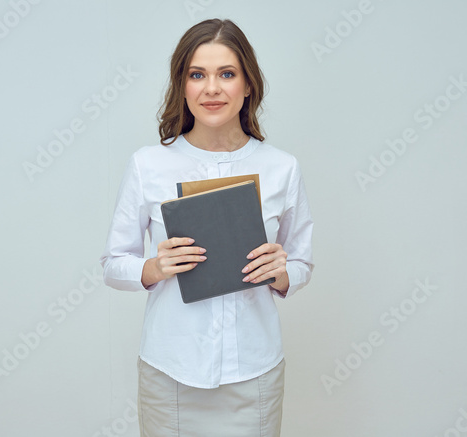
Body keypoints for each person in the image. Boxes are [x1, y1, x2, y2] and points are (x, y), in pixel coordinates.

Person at [99, 18, 314, 437]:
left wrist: (282, 273)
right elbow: (112, 263)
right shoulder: (148, 165)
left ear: (248, 84)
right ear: (182, 85)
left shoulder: (282, 168)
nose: (211, 88)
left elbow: (302, 262)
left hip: (255, 371)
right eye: (197, 75)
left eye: (227, 74)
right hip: (170, 371)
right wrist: (153, 269)